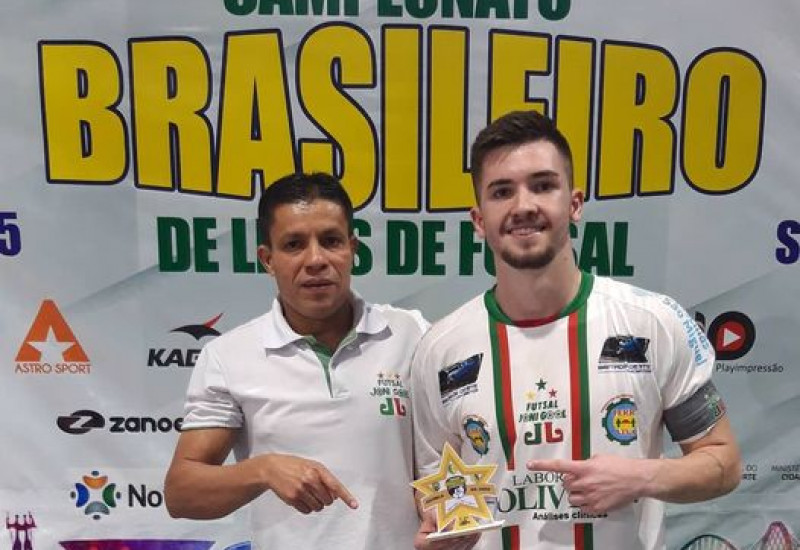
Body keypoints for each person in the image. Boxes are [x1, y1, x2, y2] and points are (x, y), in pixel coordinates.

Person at [410, 110, 741, 549]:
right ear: (479, 220)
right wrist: (447, 531)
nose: (523, 206)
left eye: (542, 185)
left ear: (575, 203)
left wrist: (641, 477)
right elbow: (439, 498)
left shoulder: (652, 322)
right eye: (502, 192)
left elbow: (724, 462)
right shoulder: (440, 351)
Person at [164, 172, 428, 549]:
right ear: (267, 259)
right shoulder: (229, 356)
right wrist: (263, 469)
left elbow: (454, 448)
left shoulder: (411, 333)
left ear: (352, 248)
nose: (316, 260)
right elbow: (181, 493)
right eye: (294, 245)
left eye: (331, 240)